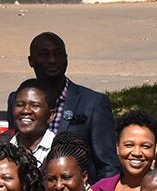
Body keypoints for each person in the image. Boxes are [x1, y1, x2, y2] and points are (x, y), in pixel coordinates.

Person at [7, 32, 116, 181]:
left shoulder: (93, 103)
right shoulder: (16, 100)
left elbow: (107, 166)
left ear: (66, 58)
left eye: (58, 54)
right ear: (31, 61)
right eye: (44, 55)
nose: (52, 60)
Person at [90, 110, 157, 191]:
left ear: (154, 150)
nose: (137, 152)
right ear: (117, 147)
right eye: (129, 145)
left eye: (145, 146)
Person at [3, 79, 57, 166]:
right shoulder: (1, 147)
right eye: (20, 105)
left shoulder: (60, 150)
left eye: (35, 106)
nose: (26, 110)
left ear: (51, 115)